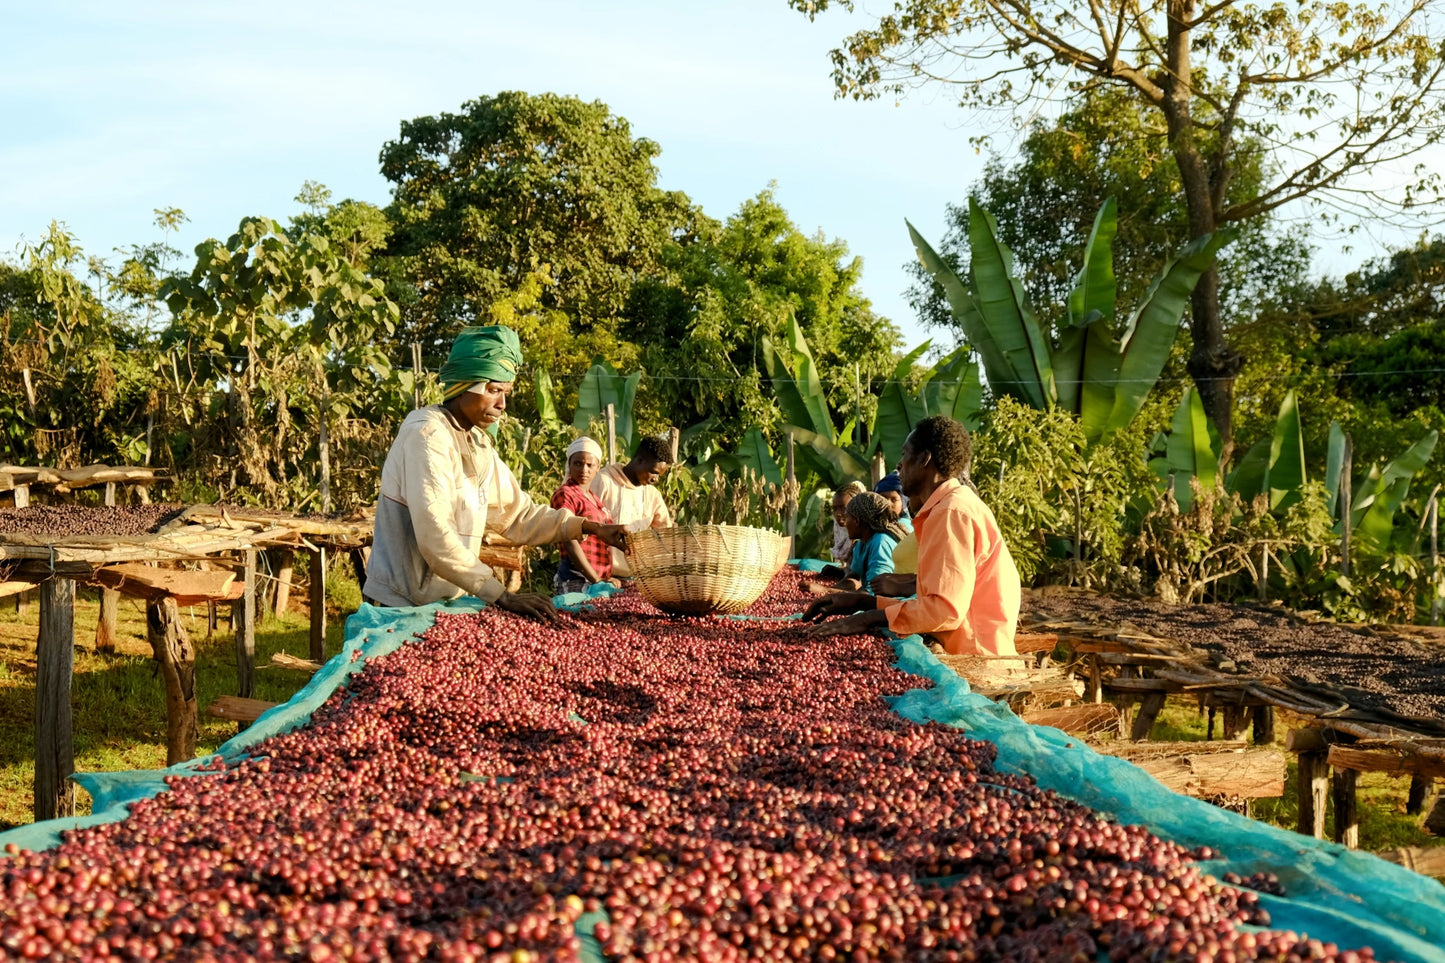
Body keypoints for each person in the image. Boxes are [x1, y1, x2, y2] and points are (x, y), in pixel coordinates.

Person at [365, 325, 628, 620]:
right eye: (493, 391)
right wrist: (501, 595)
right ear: (465, 384)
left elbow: (518, 515)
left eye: (505, 392)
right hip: (402, 604)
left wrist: (591, 528)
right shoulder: (427, 435)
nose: (502, 404)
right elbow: (436, 537)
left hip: (445, 602)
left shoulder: (478, 444)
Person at [803, 415, 1021, 658]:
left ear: (924, 459)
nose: (900, 465)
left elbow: (944, 610)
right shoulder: (949, 506)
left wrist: (869, 618)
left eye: (905, 454)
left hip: (976, 653)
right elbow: (933, 601)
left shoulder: (951, 512)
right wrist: (861, 603)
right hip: (968, 644)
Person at [591, 434, 674, 578]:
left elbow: (665, 536)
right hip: (599, 575)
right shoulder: (604, 482)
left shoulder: (652, 495)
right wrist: (598, 577)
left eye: (660, 475)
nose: (656, 479)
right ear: (639, 460)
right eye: (654, 472)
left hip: (635, 578)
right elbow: (585, 528)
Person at [551, 436, 619, 596]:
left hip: (595, 578)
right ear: (569, 464)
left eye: (590, 465)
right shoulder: (565, 494)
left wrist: (605, 578)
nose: (584, 470)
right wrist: (596, 580)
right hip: (577, 578)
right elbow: (569, 538)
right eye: (578, 464)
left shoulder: (593, 498)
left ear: (598, 467)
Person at [840, 492, 908, 591]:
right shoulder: (861, 543)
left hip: (896, 601)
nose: (845, 523)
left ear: (857, 521)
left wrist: (827, 592)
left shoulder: (881, 543)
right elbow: (854, 575)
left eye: (847, 517)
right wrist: (827, 590)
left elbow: (875, 591)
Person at [875, 471, 918, 577]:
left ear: (903, 501)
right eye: (883, 498)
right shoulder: (874, 528)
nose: (888, 504)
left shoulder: (906, 526)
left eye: (893, 499)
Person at [831, 481, 869, 565]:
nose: (838, 513)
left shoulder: (867, 540)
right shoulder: (841, 533)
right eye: (835, 509)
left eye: (843, 508)